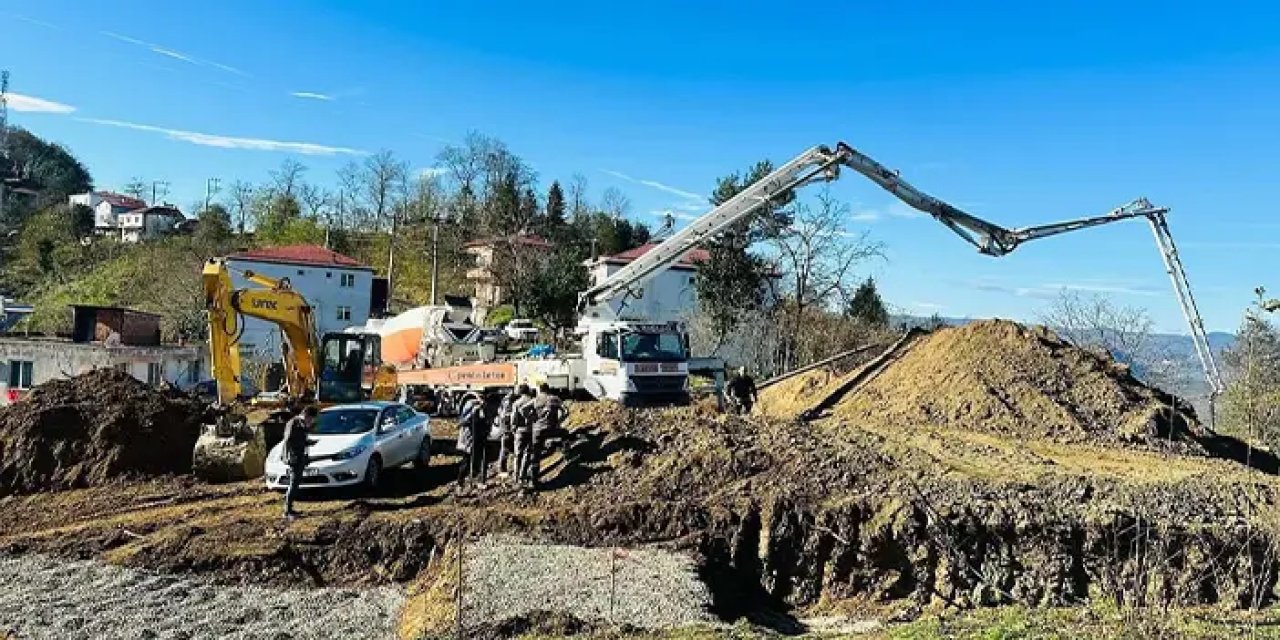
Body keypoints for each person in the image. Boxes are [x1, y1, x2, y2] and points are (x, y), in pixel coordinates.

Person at [281, 405, 319, 520]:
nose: (311, 422)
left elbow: (298, 439)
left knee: (296, 482)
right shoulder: (294, 423)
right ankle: (287, 511)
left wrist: (308, 442)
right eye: (311, 419)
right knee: (293, 483)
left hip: (299, 456)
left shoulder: (300, 424)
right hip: (294, 457)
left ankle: (289, 508)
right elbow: (288, 440)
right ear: (307, 416)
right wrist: (287, 456)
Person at [511, 385, 538, 488]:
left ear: (520, 392)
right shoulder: (533, 401)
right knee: (527, 453)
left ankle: (516, 477)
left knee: (518, 454)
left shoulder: (516, 403)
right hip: (530, 430)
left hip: (520, 431)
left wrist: (513, 428)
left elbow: (514, 418)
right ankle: (522, 476)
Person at [494, 389, 519, 476]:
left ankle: (504, 468)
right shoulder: (508, 404)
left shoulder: (503, 403)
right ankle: (502, 468)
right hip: (507, 430)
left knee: (506, 449)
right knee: (505, 449)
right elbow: (507, 417)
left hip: (505, 429)